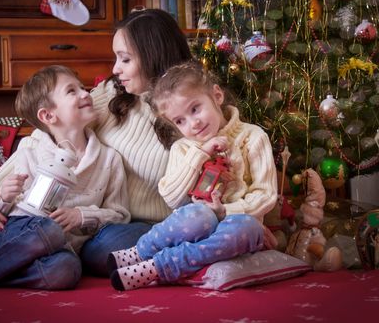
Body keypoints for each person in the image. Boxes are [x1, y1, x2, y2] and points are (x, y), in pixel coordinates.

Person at [0, 9, 193, 277]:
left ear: (153, 56)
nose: (115, 69)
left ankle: (46, 264)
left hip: (142, 226)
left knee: (101, 248)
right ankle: (48, 265)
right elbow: (52, 130)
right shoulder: (112, 93)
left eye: (125, 59)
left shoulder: (189, 108)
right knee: (66, 239)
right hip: (94, 222)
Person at [0, 65, 130, 293]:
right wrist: (5, 197)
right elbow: (2, 206)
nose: (85, 93)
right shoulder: (31, 147)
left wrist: (81, 215)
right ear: (48, 115)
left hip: (60, 251)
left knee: (66, 271)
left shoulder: (109, 159)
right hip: (14, 236)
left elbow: (120, 214)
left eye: (82, 88)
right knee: (48, 229)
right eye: (72, 91)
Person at [107, 61, 278, 291]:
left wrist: (226, 211)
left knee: (248, 229)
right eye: (180, 121)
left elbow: (265, 195)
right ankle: (141, 252)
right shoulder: (184, 148)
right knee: (199, 214)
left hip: (235, 225)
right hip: (196, 227)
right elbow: (172, 198)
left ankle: (158, 267)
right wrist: (201, 154)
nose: (193, 123)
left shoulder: (253, 137)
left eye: (195, 108)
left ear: (216, 95)